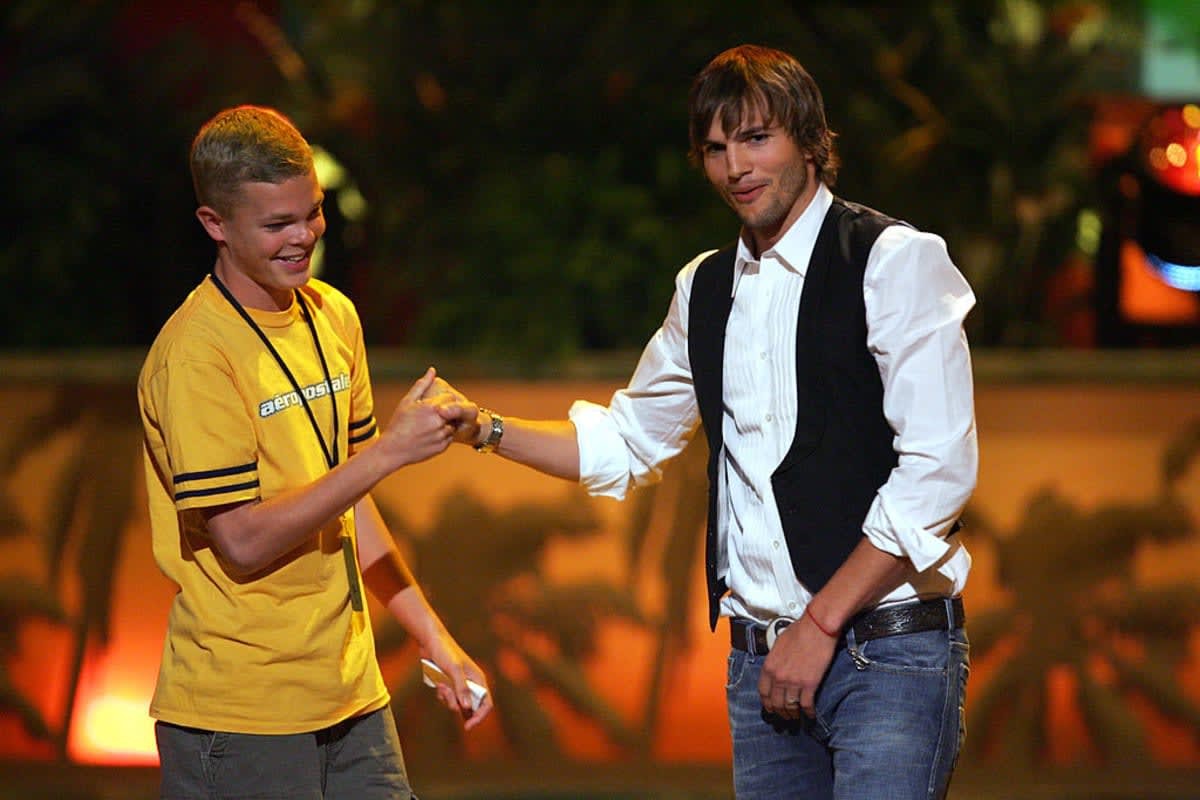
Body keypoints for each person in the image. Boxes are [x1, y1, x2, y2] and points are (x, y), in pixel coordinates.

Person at [434, 44, 977, 799]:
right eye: (716, 149)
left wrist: (818, 627)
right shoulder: (706, 286)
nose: (735, 168)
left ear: (811, 140)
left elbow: (937, 473)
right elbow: (629, 441)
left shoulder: (891, 261)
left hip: (884, 652)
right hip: (762, 662)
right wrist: (485, 428)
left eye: (757, 139)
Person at [137, 104, 492, 799]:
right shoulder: (196, 356)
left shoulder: (332, 316)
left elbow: (350, 508)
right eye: (277, 224)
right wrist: (387, 453)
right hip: (241, 715)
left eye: (314, 212)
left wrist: (434, 638)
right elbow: (239, 541)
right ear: (216, 225)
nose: (304, 236)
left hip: (351, 697)